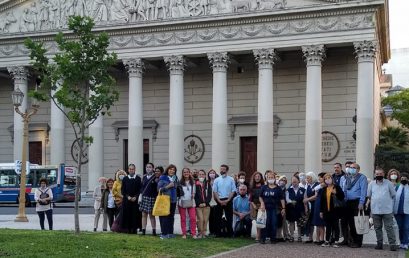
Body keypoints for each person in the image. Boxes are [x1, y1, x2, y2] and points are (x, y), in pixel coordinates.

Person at [367, 168, 397, 251]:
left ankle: (393, 245)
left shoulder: (389, 183)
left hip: (387, 210)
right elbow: (369, 195)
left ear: (383, 174)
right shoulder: (371, 184)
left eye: (380, 174)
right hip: (375, 210)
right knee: (377, 228)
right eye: (377, 174)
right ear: (374, 175)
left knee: (389, 228)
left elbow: (393, 195)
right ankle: (379, 244)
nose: (379, 175)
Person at [340, 162, 368, 248]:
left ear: (358, 169)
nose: (351, 169)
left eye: (354, 167)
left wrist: (361, 202)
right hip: (347, 202)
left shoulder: (362, 178)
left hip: (357, 202)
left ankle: (358, 242)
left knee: (357, 222)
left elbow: (363, 191)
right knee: (350, 222)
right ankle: (351, 240)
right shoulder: (347, 178)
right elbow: (344, 190)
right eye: (351, 167)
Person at [259, 171, 286, 244]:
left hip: (275, 208)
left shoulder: (278, 188)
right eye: (269, 177)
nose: (270, 179)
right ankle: (263, 238)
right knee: (265, 223)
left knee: (274, 223)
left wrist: (283, 208)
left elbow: (282, 199)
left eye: (272, 177)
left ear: (274, 178)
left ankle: (273, 238)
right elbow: (260, 197)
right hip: (265, 208)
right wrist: (262, 203)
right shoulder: (264, 187)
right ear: (267, 179)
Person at [320, 173, 345, 247]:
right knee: (328, 226)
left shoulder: (336, 187)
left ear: (332, 178)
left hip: (335, 210)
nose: (328, 179)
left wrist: (336, 193)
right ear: (324, 181)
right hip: (326, 211)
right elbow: (322, 201)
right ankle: (327, 240)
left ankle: (336, 241)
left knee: (336, 226)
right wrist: (321, 211)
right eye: (326, 179)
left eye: (329, 178)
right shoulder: (324, 189)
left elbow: (342, 197)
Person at [213, 164, 236, 237]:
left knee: (229, 217)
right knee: (218, 218)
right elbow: (215, 191)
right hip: (219, 200)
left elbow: (233, 190)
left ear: (227, 170)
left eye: (223, 169)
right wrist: (219, 201)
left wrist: (228, 200)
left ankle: (230, 233)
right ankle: (218, 233)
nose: (221, 170)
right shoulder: (217, 180)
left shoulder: (231, 179)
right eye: (221, 169)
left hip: (228, 200)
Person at [157, 164, 178, 239]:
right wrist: (168, 186)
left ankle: (170, 233)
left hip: (173, 200)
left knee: (171, 217)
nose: (172, 171)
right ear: (167, 170)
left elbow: (176, 188)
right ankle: (164, 233)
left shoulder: (175, 178)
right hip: (165, 200)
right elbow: (159, 189)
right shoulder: (163, 177)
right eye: (170, 169)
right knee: (164, 216)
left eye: (173, 170)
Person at [121, 164, 142, 234]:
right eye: (130, 169)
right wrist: (127, 197)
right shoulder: (125, 179)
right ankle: (128, 229)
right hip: (127, 201)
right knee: (127, 214)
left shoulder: (138, 179)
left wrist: (136, 196)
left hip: (135, 201)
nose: (131, 170)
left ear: (135, 170)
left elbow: (140, 189)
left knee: (135, 215)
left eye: (132, 169)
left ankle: (135, 229)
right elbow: (123, 190)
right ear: (128, 170)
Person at [140, 163, 160, 236]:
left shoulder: (155, 177)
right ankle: (143, 230)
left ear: (153, 168)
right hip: (145, 197)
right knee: (143, 215)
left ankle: (154, 231)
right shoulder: (144, 177)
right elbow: (141, 187)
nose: (148, 168)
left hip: (152, 198)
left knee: (152, 215)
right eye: (147, 167)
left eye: (150, 167)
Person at [286, 175, 306, 242]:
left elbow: (305, 199)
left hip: (300, 208)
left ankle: (299, 236)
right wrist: (291, 201)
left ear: (298, 181)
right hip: (291, 209)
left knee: (299, 223)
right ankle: (292, 236)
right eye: (293, 182)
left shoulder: (303, 190)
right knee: (291, 223)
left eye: (295, 181)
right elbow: (287, 198)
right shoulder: (288, 190)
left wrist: (306, 209)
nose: (294, 183)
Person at [178, 167, 197, 239]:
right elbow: (178, 193)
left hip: (191, 202)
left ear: (189, 173)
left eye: (187, 172)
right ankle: (184, 233)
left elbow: (194, 192)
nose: (186, 173)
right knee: (183, 218)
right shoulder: (180, 183)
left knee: (192, 218)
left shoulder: (193, 182)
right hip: (182, 202)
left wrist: (193, 195)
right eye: (184, 172)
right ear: (182, 174)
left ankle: (193, 233)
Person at [195, 169, 212, 238]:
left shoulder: (208, 184)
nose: (201, 175)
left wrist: (206, 203)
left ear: (205, 176)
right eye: (200, 174)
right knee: (200, 219)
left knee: (205, 219)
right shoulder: (195, 184)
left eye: (203, 174)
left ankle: (204, 233)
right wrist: (199, 203)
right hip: (198, 205)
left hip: (206, 205)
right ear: (198, 175)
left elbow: (209, 195)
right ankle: (199, 232)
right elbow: (195, 195)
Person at [394, 172, 409, 250]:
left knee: (406, 227)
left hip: (407, 211)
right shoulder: (397, 187)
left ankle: (406, 242)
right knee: (400, 227)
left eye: (405, 178)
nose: (403, 180)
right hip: (398, 211)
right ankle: (402, 242)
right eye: (402, 178)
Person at [303, 171, 319, 243]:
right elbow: (305, 196)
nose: (307, 179)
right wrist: (306, 206)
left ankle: (318, 238)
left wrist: (307, 199)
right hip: (310, 206)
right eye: (307, 178)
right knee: (310, 222)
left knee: (316, 221)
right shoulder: (308, 186)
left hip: (316, 205)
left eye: (309, 178)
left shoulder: (317, 185)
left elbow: (316, 196)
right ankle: (310, 237)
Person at [249, 171, 265, 242]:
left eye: (259, 176)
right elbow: (250, 199)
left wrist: (262, 204)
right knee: (257, 221)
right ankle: (258, 236)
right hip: (254, 205)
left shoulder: (264, 186)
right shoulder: (252, 187)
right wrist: (254, 205)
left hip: (262, 205)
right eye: (256, 176)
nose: (257, 178)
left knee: (261, 221)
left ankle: (260, 236)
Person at [312, 172, 326, 245]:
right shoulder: (318, 185)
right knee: (317, 223)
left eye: (320, 177)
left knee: (321, 223)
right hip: (317, 202)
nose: (319, 179)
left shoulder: (325, 185)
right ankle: (317, 238)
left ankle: (322, 239)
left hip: (322, 203)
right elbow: (315, 193)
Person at [276, 175, 290, 242]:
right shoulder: (276, 188)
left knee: (284, 222)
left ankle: (285, 235)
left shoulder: (286, 190)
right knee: (278, 222)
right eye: (282, 180)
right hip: (277, 207)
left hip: (284, 207)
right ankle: (278, 235)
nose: (283, 182)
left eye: (284, 181)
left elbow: (287, 199)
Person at [207, 169, 219, 237]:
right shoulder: (207, 182)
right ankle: (211, 231)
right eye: (210, 173)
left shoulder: (217, 181)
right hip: (209, 202)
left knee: (216, 217)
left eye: (213, 173)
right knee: (210, 218)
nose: (212, 174)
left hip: (216, 202)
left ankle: (216, 231)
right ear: (208, 175)